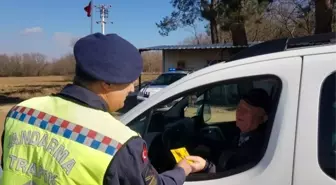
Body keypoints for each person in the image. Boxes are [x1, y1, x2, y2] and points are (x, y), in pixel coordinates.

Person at [0, 33, 209, 185]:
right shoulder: (118, 143)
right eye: (127, 82)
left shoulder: (22, 111)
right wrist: (184, 169)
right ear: (106, 83)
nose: (132, 88)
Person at [217, 88, 271, 171]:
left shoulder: (256, 147)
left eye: (245, 110)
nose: (239, 113)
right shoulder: (243, 133)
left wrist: (207, 166)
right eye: (238, 108)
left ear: (263, 118)